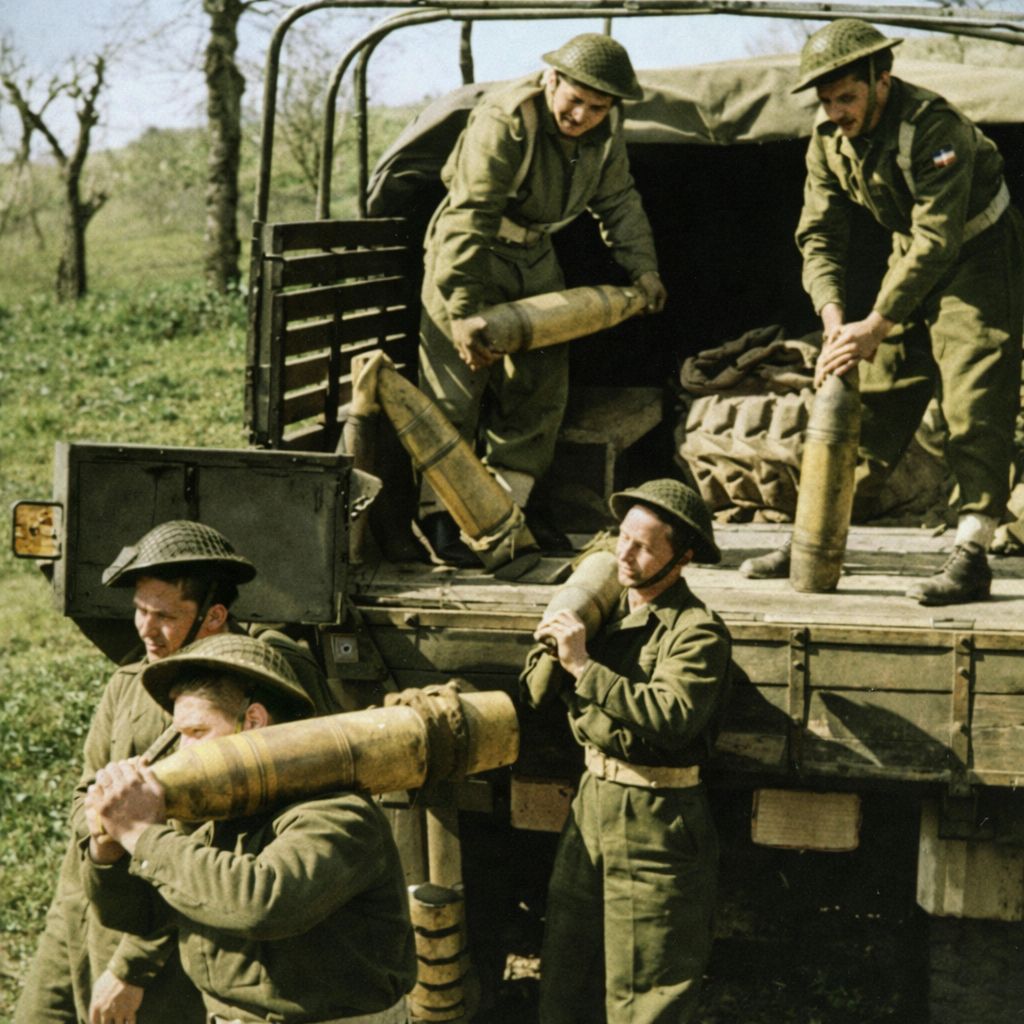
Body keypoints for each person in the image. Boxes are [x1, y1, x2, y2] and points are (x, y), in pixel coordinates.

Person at [740, 18, 1024, 605]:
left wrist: (877, 323)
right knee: (867, 400)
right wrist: (835, 321)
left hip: (977, 256)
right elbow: (817, 236)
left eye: (847, 96)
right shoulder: (828, 141)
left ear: (882, 82)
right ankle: (812, 534)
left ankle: (972, 550)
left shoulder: (933, 127)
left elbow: (938, 239)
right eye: (827, 100)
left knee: (972, 402)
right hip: (911, 255)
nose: (837, 111)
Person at [15, 520, 330, 1024]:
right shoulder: (130, 682)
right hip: (83, 905)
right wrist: (100, 833)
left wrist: (132, 967)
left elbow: (217, 854)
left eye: (163, 615)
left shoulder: (253, 693)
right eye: (140, 610)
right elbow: (84, 790)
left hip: (168, 937)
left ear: (213, 616)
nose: (144, 628)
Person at [418, 32, 667, 565]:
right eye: (574, 99)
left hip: (534, 255)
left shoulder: (606, 131)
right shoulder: (506, 120)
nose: (582, 115)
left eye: (597, 107)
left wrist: (643, 269)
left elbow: (619, 201)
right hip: (470, 252)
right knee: (454, 388)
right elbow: (471, 214)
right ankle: (441, 521)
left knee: (541, 386)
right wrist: (461, 309)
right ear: (551, 79)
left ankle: (508, 515)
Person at [81, 633, 416, 1024]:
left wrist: (142, 835)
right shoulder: (215, 818)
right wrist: (109, 850)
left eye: (196, 733)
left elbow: (264, 902)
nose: (183, 752)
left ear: (253, 720)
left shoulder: (338, 812)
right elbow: (143, 917)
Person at [521, 478, 732, 1023]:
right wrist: (556, 643)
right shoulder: (605, 612)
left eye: (644, 546)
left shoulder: (697, 631)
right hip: (592, 808)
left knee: (649, 993)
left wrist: (584, 668)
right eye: (623, 539)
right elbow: (538, 692)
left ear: (681, 560)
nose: (625, 554)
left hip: (658, 822)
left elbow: (672, 717)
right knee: (568, 978)